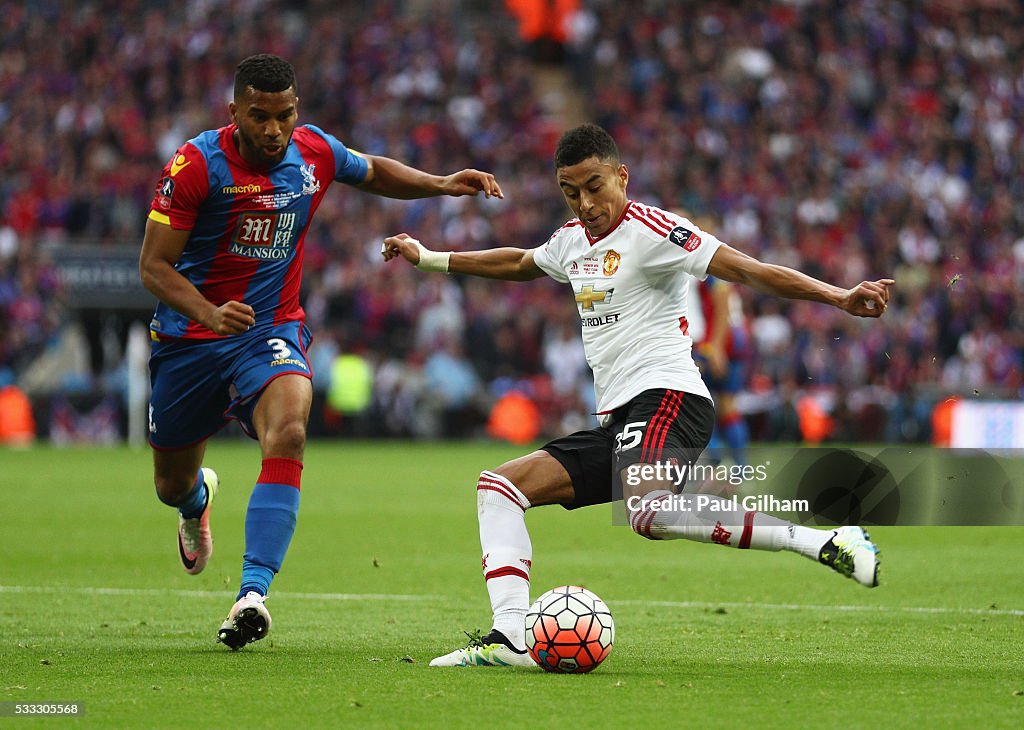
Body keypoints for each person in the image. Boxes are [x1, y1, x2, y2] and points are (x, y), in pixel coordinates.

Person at [381, 123, 893, 668]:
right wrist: (429, 258)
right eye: (571, 192)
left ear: (622, 176)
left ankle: (826, 541)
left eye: (595, 186)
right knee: (499, 487)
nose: (586, 203)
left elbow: (747, 269)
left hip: (671, 395)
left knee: (646, 512)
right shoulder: (570, 241)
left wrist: (839, 296)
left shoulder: (655, 231)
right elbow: (518, 262)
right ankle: (509, 638)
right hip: (619, 417)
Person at [139, 54, 503, 650]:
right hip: (190, 339)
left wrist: (439, 184)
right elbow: (152, 265)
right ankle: (196, 500)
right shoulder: (195, 164)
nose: (273, 129)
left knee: (290, 430)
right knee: (168, 483)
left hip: (268, 329)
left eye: (283, 115)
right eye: (258, 116)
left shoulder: (313, 151)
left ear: (295, 111)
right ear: (234, 112)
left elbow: (371, 171)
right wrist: (207, 311)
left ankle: (252, 593)